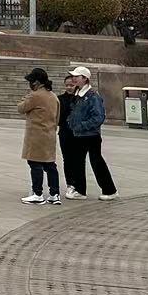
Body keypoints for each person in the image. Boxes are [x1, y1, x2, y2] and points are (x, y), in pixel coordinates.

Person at [61, 65, 117, 200]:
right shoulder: (78, 94)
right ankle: (80, 190)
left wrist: (81, 126)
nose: (74, 79)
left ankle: (110, 190)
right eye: (73, 76)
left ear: (85, 79)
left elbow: (98, 117)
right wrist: (71, 123)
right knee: (78, 162)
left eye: (76, 77)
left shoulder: (92, 96)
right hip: (79, 135)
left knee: (96, 162)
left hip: (91, 135)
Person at [18, 67, 62, 205]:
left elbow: (21, 108)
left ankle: (37, 193)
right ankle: (55, 193)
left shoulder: (35, 95)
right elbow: (58, 117)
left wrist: (27, 95)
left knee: (35, 163)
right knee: (50, 165)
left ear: (36, 82)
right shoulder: (53, 96)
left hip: (36, 135)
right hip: (49, 134)